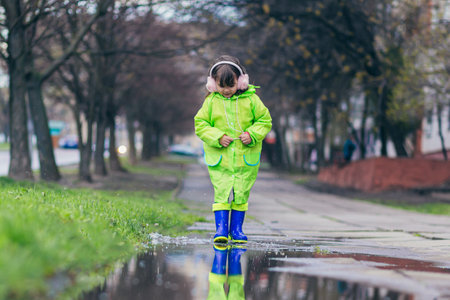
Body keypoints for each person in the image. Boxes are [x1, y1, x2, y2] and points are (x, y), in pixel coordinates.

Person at [194, 55, 272, 243]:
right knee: (221, 191)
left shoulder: (252, 100)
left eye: (231, 85)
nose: (226, 90)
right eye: (222, 86)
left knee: (242, 192)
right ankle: (221, 230)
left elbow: (264, 120)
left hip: (245, 158)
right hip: (221, 158)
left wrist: (252, 134)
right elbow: (201, 124)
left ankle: (237, 230)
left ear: (241, 81)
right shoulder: (211, 101)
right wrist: (217, 137)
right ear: (213, 84)